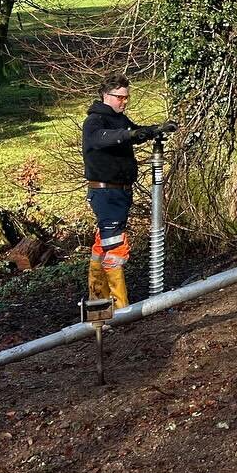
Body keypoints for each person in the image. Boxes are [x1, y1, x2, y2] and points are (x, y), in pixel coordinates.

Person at [82, 75, 174, 309]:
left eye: (126, 97)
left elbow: (134, 132)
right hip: (105, 193)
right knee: (115, 247)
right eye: (120, 97)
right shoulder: (95, 121)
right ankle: (119, 306)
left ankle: (98, 300)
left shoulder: (118, 119)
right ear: (106, 96)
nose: (124, 102)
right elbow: (102, 139)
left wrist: (153, 130)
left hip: (120, 192)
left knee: (103, 245)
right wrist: (128, 135)